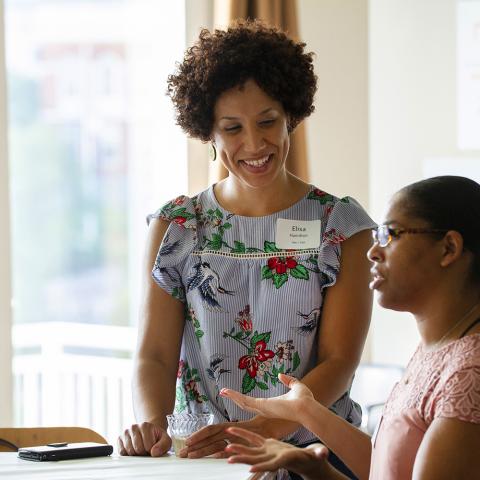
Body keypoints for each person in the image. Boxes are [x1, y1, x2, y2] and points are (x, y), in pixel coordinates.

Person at [118, 20, 375, 478]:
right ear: (208, 133)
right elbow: (154, 354)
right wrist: (152, 424)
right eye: (232, 127)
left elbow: (339, 361)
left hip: (315, 458)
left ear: (291, 114)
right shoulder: (177, 226)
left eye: (268, 122)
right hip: (205, 460)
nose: (254, 144)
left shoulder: (342, 226)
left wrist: (263, 429)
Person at [220, 175, 480, 480]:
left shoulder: (469, 373)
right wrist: (306, 412)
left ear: (448, 248)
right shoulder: (439, 349)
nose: (373, 252)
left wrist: (317, 470)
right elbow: (387, 467)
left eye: (390, 235)